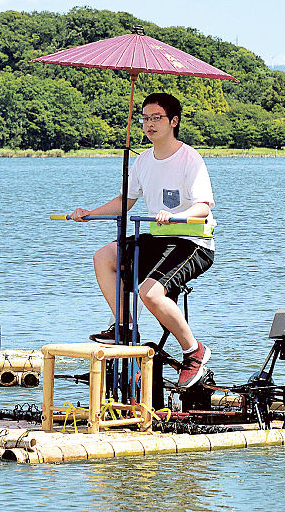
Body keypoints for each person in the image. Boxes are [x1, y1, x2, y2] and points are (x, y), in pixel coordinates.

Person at [70, 93, 216, 389]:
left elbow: (204, 206)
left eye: (156, 118)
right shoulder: (144, 160)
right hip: (157, 238)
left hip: (192, 241)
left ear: (173, 121)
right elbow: (127, 200)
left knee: (150, 293)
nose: (149, 124)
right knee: (104, 256)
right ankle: (124, 326)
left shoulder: (190, 159)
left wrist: (177, 216)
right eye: (145, 118)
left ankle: (194, 351)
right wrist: (90, 213)